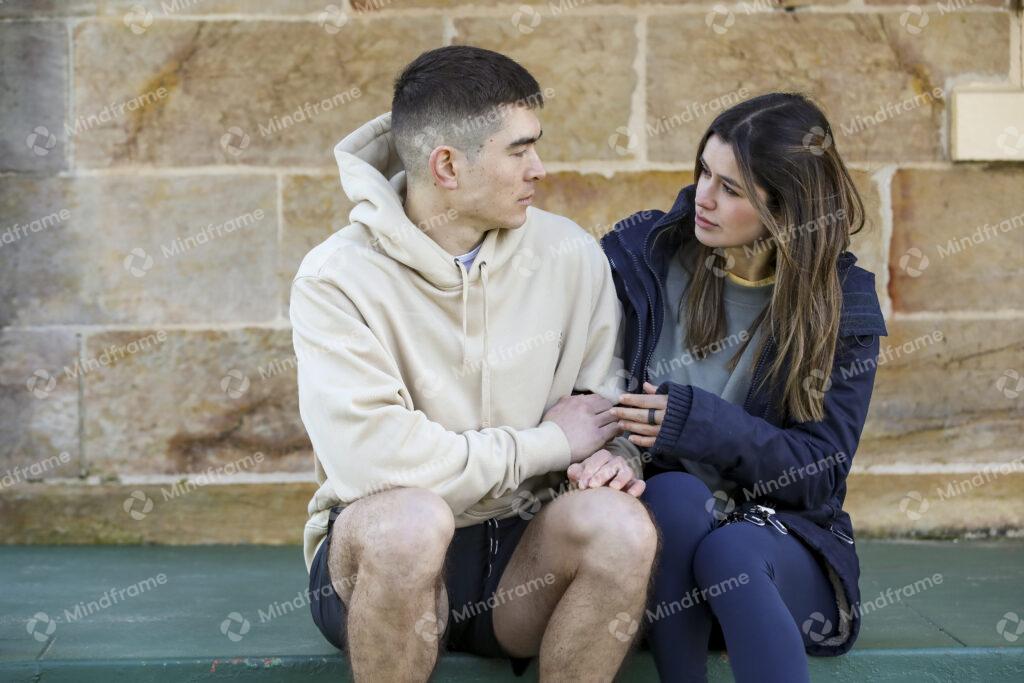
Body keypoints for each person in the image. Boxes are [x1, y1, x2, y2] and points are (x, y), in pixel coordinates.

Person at [289, 45, 656, 682]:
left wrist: (613, 459)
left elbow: (602, 415)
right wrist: (548, 443)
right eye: (518, 150)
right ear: (448, 166)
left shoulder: (569, 254)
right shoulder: (336, 279)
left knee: (621, 526)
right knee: (410, 520)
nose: (538, 168)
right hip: (381, 563)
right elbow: (380, 464)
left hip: (524, 559)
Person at [594, 92, 888, 682]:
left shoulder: (841, 305)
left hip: (778, 553)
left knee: (731, 549)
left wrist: (699, 422)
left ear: (787, 211)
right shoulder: (642, 257)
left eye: (732, 190)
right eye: (705, 172)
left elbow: (821, 472)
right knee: (674, 495)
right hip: (659, 555)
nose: (703, 197)